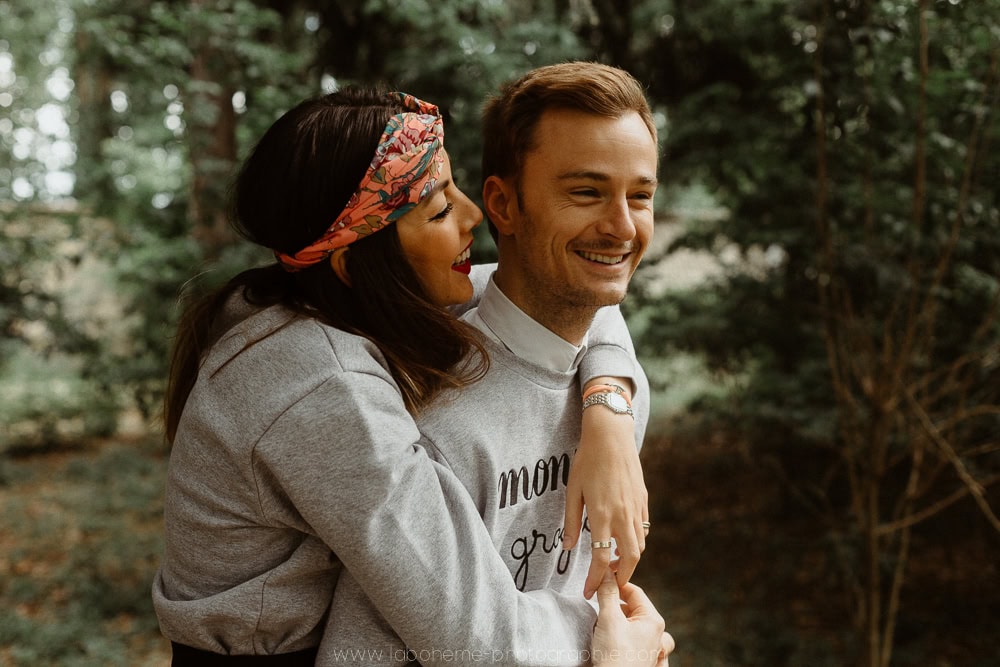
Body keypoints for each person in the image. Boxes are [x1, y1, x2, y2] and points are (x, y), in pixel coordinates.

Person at [152, 86, 667, 664]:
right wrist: (612, 636)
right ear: (360, 262)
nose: (473, 214)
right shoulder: (325, 389)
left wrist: (608, 412)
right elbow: (477, 636)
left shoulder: (349, 304)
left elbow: (580, 298)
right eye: (440, 209)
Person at [317, 62, 671, 665]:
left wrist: (609, 400)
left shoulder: (612, 391)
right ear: (503, 205)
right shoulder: (423, 419)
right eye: (585, 192)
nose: (621, 226)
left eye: (640, 196)